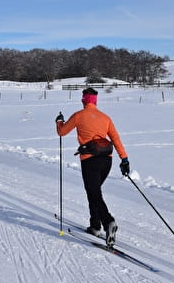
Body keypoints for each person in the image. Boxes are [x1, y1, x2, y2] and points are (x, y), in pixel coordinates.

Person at [56, 87, 130, 247]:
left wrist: (59, 121)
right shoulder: (105, 118)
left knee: (94, 192)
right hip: (107, 160)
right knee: (94, 191)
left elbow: (62, 132)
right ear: (95, 101)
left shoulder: (78, 116)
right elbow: (115, 139)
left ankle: (108, 221)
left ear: (84, 100)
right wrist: (124, 159)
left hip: (90, 160)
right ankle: (95, 225)